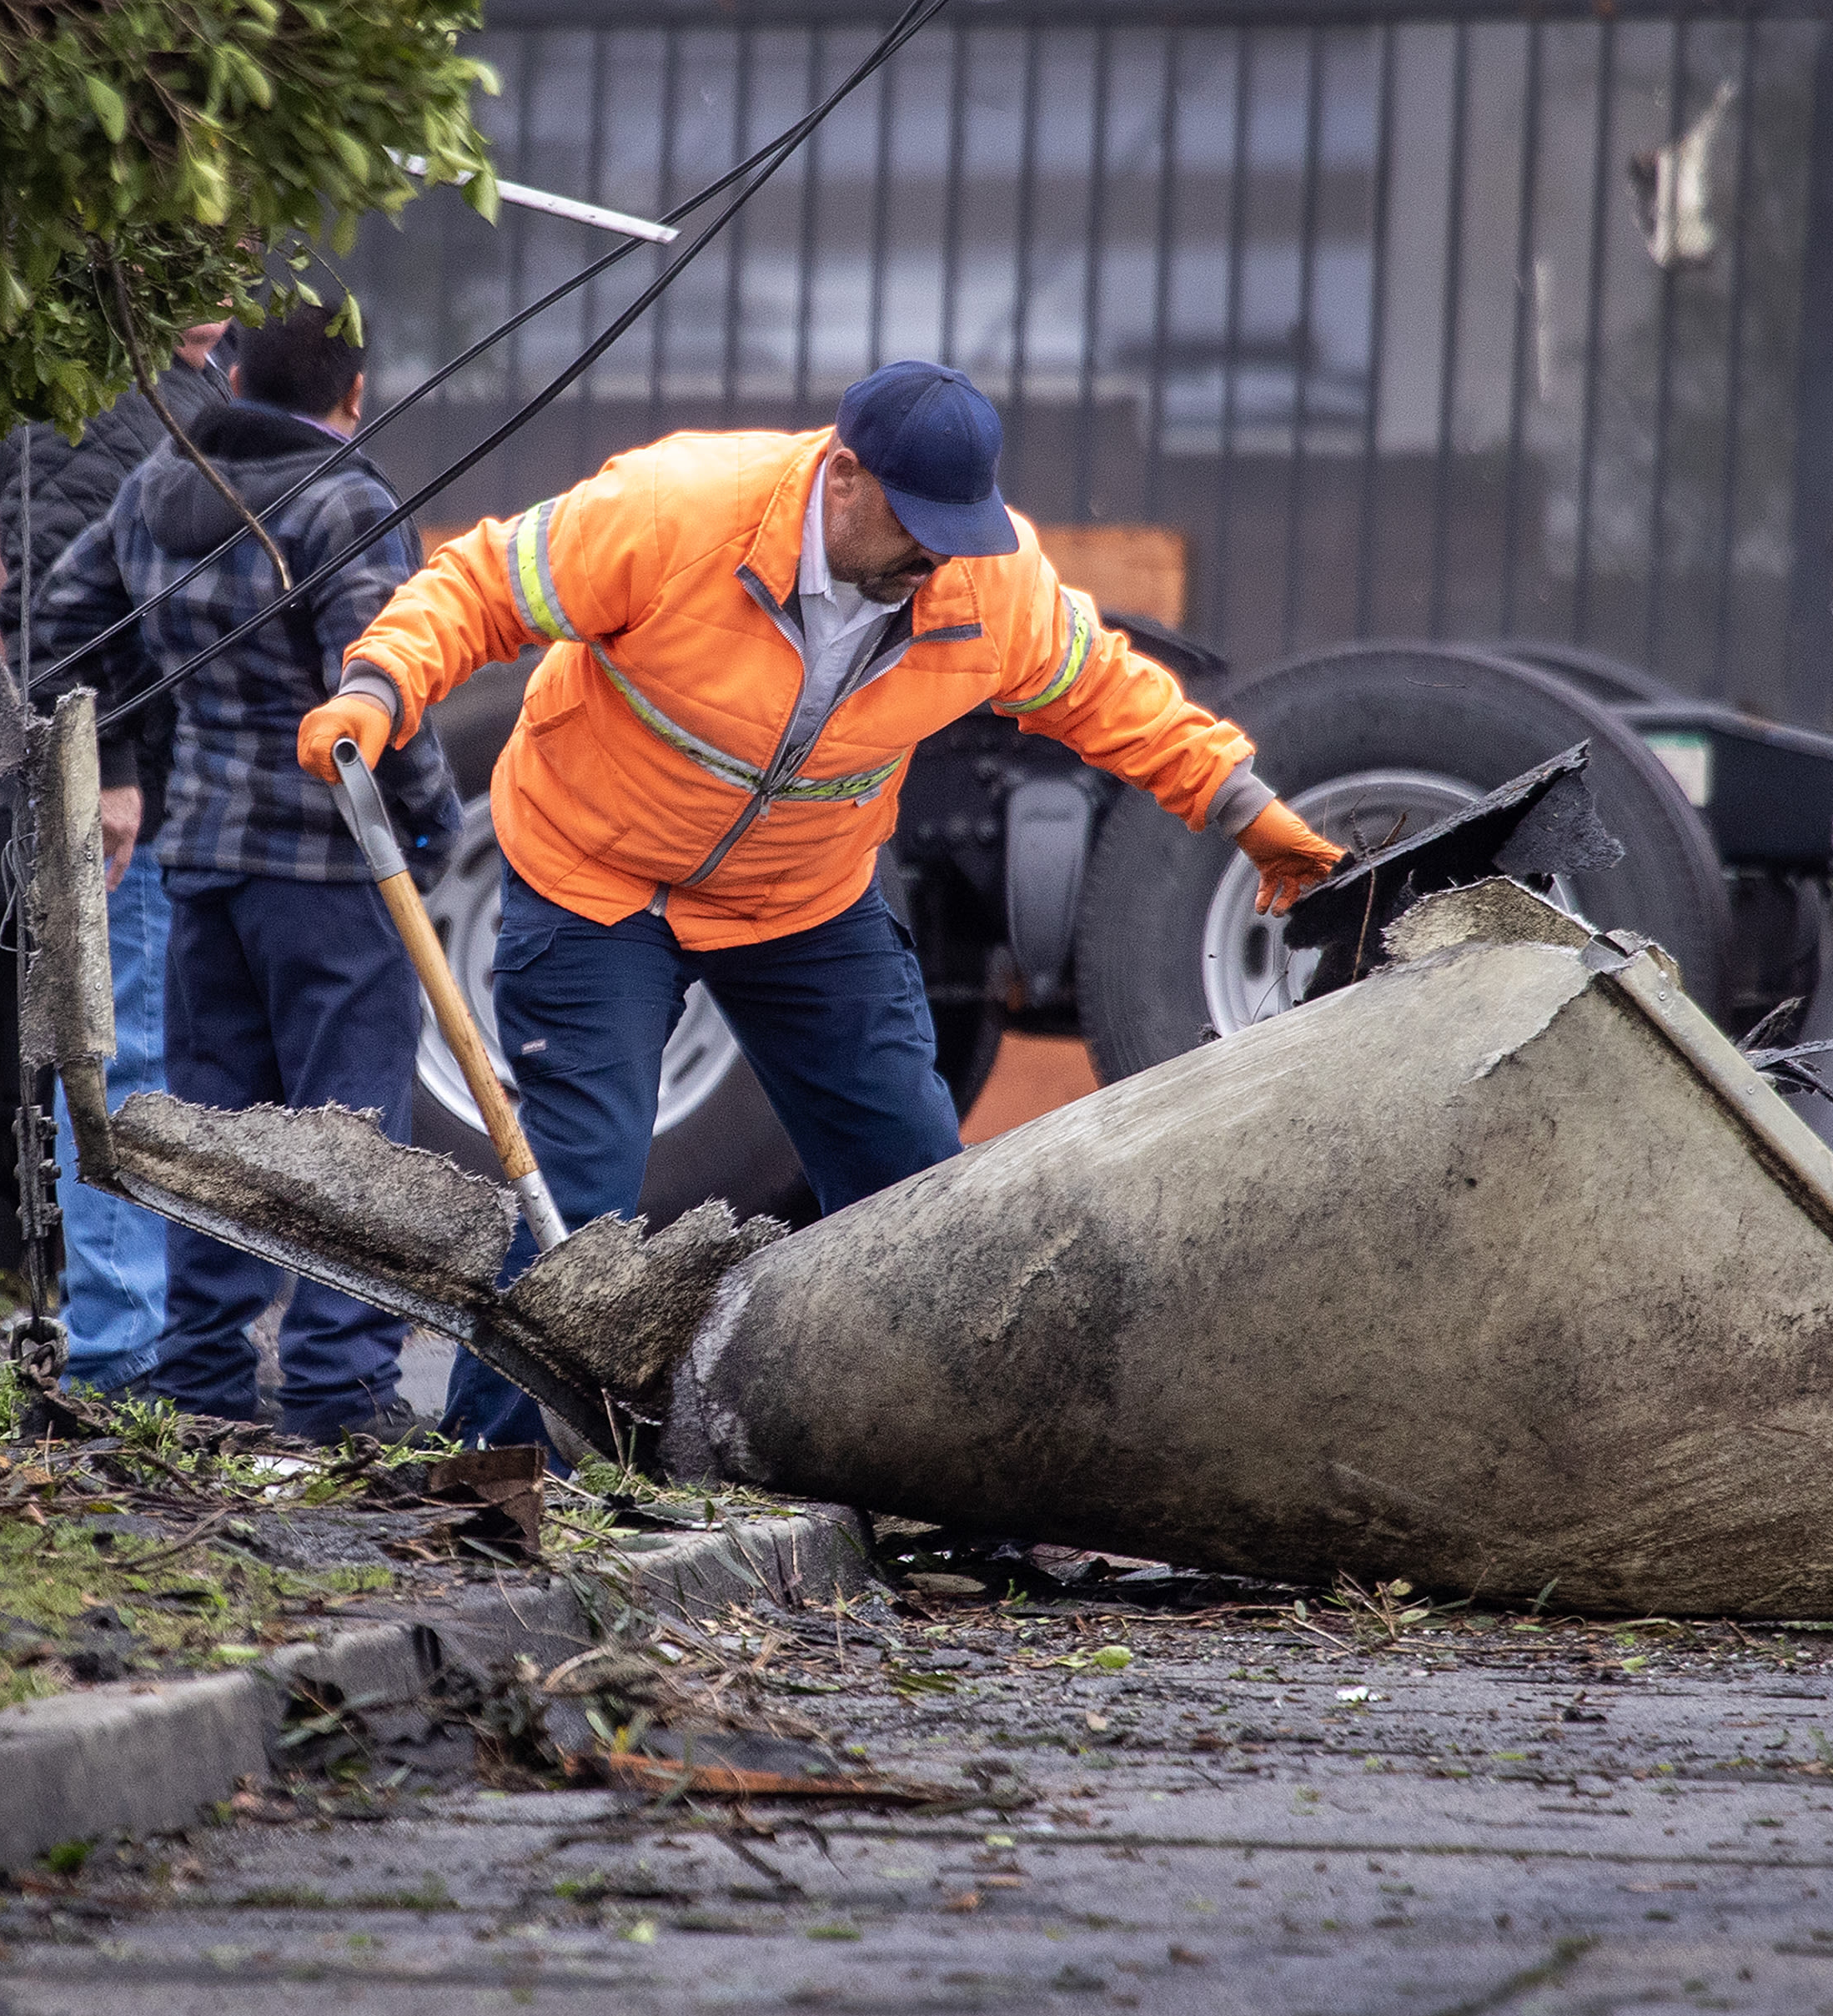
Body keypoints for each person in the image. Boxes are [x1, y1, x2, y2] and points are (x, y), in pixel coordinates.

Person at [300, 359, 1349, 1447]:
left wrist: (1243, 807)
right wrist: (380, 687)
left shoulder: (984, 583)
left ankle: (940, 1472)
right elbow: (478, 586)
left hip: (802, 901)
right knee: (578, 1195)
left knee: (916, 1197)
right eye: (918, 524)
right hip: (594, 882)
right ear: (842, 476)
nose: (935, 556)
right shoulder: (676, 511)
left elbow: (1109, 693)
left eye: (956, 529)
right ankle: (499, 1474)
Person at [38, 289, 463, 1440]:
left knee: (216, 1133)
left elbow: (65, 625)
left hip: (204, 869)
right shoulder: (348, 506)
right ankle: (337, 1391)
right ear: (355, 393)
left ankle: (209, 1383)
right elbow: (379, 694)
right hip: (332, 879)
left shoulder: (153, 493)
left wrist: (139, 746)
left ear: (231, 372)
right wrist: (434, 829)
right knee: (353, 1137)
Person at [0, 321, 228, 1396]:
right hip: (130, 787)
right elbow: (53, 609)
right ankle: (120, 1353)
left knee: (155, 1059)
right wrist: (115, 767)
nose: (227, 279)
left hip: (183, 780)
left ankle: (150, 1340)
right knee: (121, 1060)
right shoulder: (83, 401)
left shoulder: (180, 385)